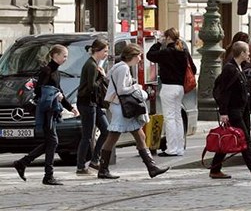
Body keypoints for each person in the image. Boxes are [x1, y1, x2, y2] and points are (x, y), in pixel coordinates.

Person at [97, 43, 169, 179]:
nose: (140, 59)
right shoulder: (123, 68)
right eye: (139, 56)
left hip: (120, 106)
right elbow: (121, 90)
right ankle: (104, 169)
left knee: (136, 136)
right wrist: (136, 87)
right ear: (133, 56)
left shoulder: (119, 67)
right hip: (121, 107)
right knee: (115, 136)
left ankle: (151, 167)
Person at [13, 45, 79, 185]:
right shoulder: (47, 70)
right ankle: (47, 175)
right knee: (53, 141)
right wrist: (53, 94)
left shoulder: (57, 72)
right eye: (64, 56)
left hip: (52, 110)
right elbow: (38, 90)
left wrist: (70, 107)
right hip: (45, 111)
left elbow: (59, 91)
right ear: (55, 55)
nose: (66, 59)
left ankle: (23, 163)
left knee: (51, 141)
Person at [210, 41, 251, 180]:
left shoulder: (239, 67)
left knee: (231, 139)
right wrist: (223, 112)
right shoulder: (229, 68)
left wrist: (250, 85)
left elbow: (238, 86)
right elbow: (225, 92)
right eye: (247, 52)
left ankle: (215, 168)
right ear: (242, 53)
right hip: (233, 111)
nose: (249, 54)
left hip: (241, 109)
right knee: (244, 139)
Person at [147, 28, 196, 157]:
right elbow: (194, 69)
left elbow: (150, 55)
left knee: (169, 118)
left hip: (168, 87)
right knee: (177, 118)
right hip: (180, 88)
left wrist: (158, 43)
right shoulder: (183, 51)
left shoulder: (166, 52)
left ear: (168, 38)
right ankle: (179, 148)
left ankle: (171, 148)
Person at [76, 38, 110, 175]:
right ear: (97, 51)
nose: (106, 54)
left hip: (92, 103)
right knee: (87, 136)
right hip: (87, 103)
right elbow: (92, 86)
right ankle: (80, 166)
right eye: (105, 51)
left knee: (106, 130)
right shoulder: (91, 65)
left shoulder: (94, 64)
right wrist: (102, 76)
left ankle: (95, 160)